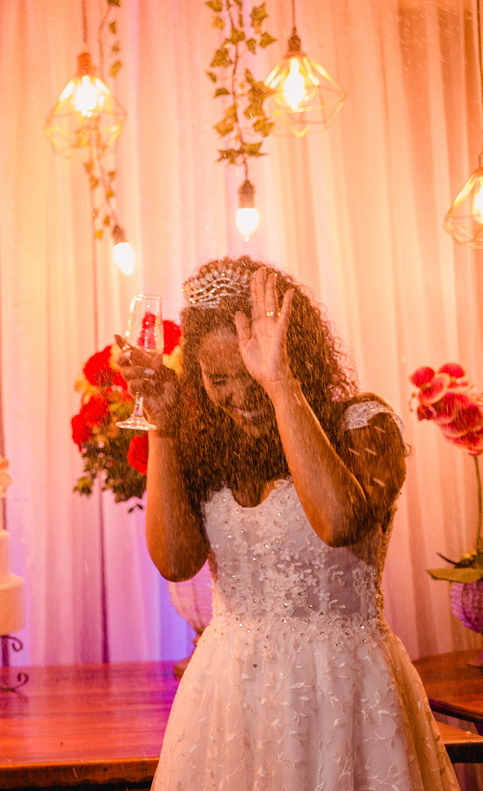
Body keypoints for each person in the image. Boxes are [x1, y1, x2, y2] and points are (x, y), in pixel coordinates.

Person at [118, 256, 458, 790]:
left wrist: (279, 383)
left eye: (253, 372)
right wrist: (162, 426)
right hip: (229, 693)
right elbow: (175, 563)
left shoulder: (363, 425)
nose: (241, 396)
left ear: (297, 355)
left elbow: (339, 522)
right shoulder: (206, 445)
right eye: (219, 379)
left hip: (342, 693)